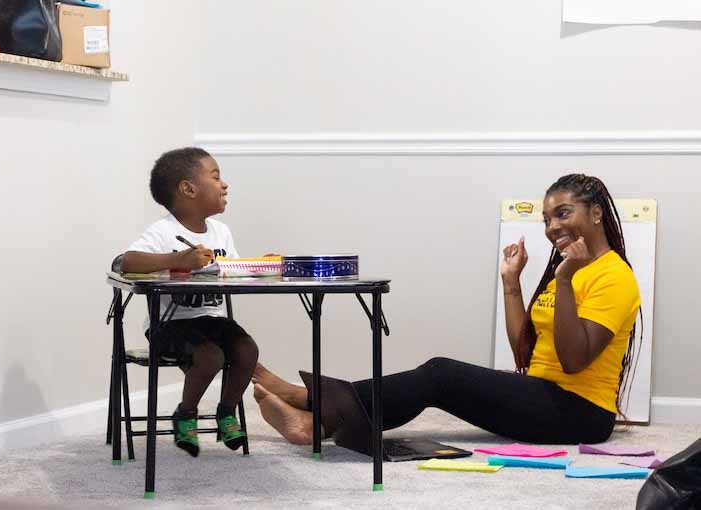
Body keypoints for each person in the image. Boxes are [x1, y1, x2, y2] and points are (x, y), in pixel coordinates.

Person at [253, 173, 641, 448]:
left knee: (440, 374)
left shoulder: (614, 277)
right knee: (438, 380)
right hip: (546, 396)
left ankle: (312, 410)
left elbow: (574, 363)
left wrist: (567, 280)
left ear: (595, 214)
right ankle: (316, 412)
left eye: (563, 213)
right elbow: (525, 355)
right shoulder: (568, 272)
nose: (552, 227)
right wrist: (511, 283)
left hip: (581, 414)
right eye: (546, 219)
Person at [120, 147, 258, 457]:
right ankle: (186, 413)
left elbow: (232, 271)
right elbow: (127, 261)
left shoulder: (221, 232)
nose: (225, 185)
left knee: (247, 349)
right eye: (216, 177)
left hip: (213, 320)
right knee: (210, 357)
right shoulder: (163, 231)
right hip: (170, 324)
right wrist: (179, 259)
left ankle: (226, 412)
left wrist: (252, 268)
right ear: (188, 189)